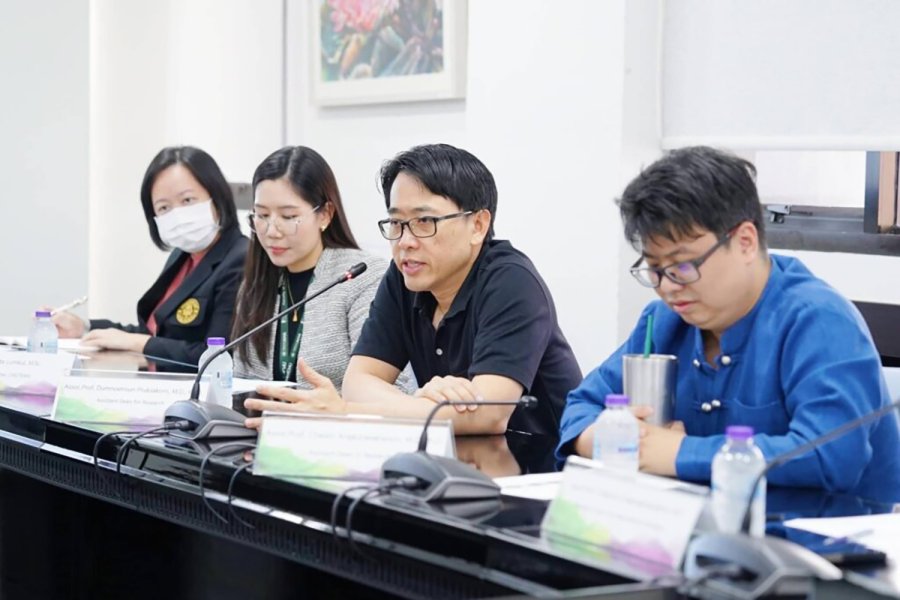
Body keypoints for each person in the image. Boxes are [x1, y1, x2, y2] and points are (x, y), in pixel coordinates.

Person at [558, 146, 900, 501]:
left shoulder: (819, 321)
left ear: (746, 242)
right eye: (655, 270)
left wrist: (677, 453)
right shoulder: (662, 322)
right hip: (696, 534)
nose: (669, 287)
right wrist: (602, 438)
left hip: (826, 543)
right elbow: (582, 404)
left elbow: (832, 455)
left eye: (683, 265)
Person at [244, 144, 582, 437]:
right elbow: (358, 383)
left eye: (425, 222)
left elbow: (489, 413)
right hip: (450, 463)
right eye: (396, 223)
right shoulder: (405, 276)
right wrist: (421, 403)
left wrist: (348, 412)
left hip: (538, 474)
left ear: (477, 225)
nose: (405, 242)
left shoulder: (512, 282)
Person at [51, 146, 248, 371]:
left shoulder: (240, 259)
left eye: (187, 200)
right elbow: (155, 335)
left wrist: (137, 343)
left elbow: (215, 356)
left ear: (217, 196)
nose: (177, 215)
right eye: (164, 207)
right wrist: (84, 327)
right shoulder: (182, 256)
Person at [231, 145, 393, 391]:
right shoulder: (256, 283)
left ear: (325, 215)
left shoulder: (362, 277)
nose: (271, 231)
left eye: (288, 217)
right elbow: (240, 380)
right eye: (262, 215)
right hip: (259, 426)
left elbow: (392, 387)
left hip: (336, 425)